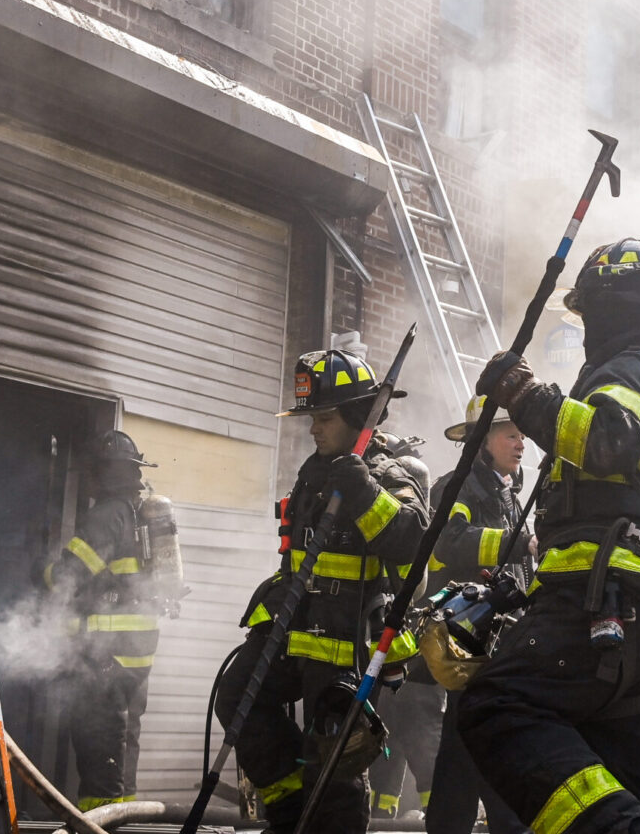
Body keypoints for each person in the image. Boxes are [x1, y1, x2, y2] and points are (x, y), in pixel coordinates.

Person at [457, 237, 640, 834]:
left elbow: (607, 440)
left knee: (497, 706)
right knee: (623, 770)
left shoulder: (635, 368)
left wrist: (522, 393)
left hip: (608, 606)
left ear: (612, 307)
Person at [211, 347, 431, 834]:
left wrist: (362, 491)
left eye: (325, 418)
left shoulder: (393, 470)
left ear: (357, 416)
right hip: (295, 631)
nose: (314, 428)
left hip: (348, 645)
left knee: (336, 757)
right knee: (237, 696)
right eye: (312, 418)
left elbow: (412, 542)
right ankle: (290, 813)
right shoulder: (318, 468)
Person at [44, 429, 181, 810]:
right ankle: (126, 819)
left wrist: (42, 572)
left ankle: (97, 822)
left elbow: (68, 577)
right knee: (124, 744)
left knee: (98, 744)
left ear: (104, 473)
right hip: (137, 656)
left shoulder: (107, 515)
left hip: (105, 656)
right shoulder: (142, 513)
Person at [422, 395, 534, 834]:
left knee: (465, 738)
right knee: (485, 731)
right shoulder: (458, 486)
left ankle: (452, 824)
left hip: (496, 638)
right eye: (510, 433)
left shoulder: (506, 492)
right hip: (465, 637)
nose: (521, 443)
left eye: (522, 434)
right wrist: (515, 541)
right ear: (482, 439)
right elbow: (448, 541)